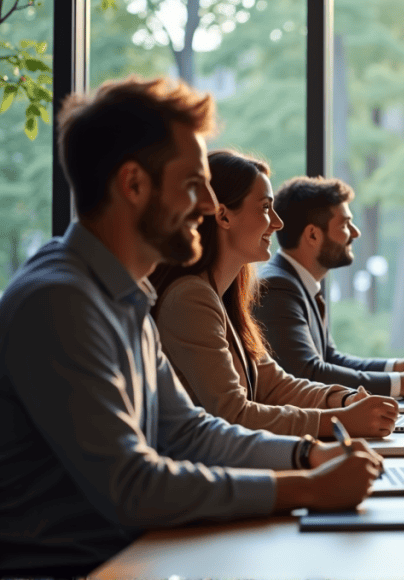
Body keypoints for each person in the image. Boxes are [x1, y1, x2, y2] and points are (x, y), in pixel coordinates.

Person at [0, 77, 382, 575]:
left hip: (135, 556)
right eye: (192, 183)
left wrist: (309, 454)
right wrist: (306, 487)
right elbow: (131, 486)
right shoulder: (60, 301)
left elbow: (189, 433)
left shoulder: (125, 295)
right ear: (134, 184)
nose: (207, 204)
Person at [151, 151, 399, 439]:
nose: (277, 223)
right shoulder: (190, 299)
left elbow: (274, 385)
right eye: (266, 207)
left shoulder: (226, 295)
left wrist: (343, 400)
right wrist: (337, 421)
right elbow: (234, 414)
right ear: (223, 216)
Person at [254, 176, 404, 399]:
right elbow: (307, 373)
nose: (355, 233)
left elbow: (329, 358)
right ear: (313, 235)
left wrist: (397, 367)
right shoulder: (278, 288)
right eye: (345, 224)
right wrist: (401, 384)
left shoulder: (298, 282)